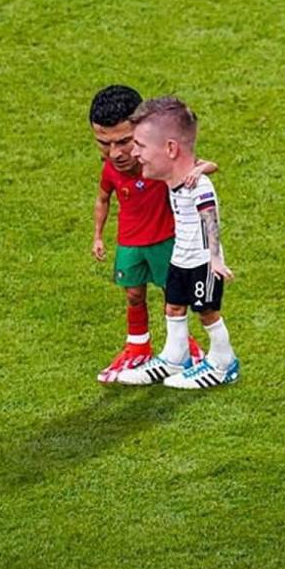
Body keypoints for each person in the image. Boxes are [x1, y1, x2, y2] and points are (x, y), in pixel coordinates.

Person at [89, 85, 214, 383]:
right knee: (133, 294)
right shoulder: (111, 169)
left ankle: (186, 349)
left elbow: (201, 167)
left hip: (166, 243)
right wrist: (97, 235)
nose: (115, 154)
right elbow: (103, 198)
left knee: (174, 296)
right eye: (103, 144)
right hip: (130, 243)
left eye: (124, 142)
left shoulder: (162, 162)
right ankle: (138, 347)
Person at [118, 96, 240, 389]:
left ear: (170, 148)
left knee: (206, 311)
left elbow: (210, 216)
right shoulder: (181, 176)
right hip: (180, 257)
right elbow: (205, 163)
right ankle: (175, 357)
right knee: (174, 306)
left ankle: (224, 364)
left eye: (141, 146)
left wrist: (215, 259)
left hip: (201, 260)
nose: (135, 153)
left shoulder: (198, 185)